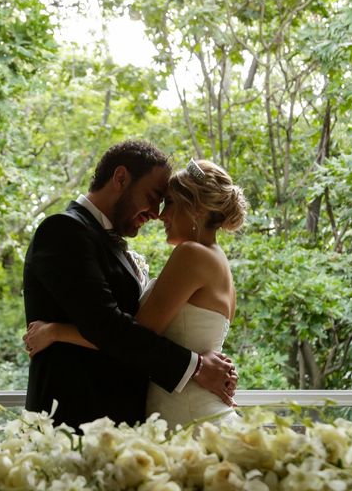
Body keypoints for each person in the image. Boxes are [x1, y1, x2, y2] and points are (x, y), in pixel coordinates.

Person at [22, 140, 238, 430]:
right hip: (73, 418)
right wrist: (196, 365)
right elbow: (111, 328)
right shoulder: (63, 231)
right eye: (153, 196)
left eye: (166, 202)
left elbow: (134, 329)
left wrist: (57, 332)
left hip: (127, 422)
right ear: (120, 178)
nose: (156, 212)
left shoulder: (115, 242)